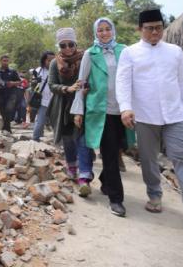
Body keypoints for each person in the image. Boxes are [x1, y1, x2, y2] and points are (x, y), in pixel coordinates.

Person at [116, 9, 183, 228]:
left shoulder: (174, 52)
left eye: (158, 27)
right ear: (140, 29)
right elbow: (123, 82)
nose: (155, 32)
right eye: (149, 28)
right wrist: (126, 108)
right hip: (145, 115)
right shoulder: (130, 53)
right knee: (148, 159)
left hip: (176, 114)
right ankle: (154, 195)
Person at [71, 17, 132, 216]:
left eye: (107, 29)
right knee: (109, 152)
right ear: (95, 33)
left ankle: (106, 181)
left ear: (113, 31)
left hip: (123, 109)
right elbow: (82, 82)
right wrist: (79, 110)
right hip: (101, 109)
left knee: (120, 148)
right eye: (100, 30)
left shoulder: (124, 50)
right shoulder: (91, 53)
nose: (104, 33)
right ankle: (116, 199)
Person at [47, 28, 94, 184]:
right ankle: (72, 167)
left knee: (82, 139)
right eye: (63, 45)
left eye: (70, 44)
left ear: (75, 43)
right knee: (67, 140)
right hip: (63, 108)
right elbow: (52, 84)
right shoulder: (55, 62)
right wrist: (66, 88)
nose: (67, 48)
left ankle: (85, 175)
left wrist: (86, 88)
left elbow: (92, 78)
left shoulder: (86, 58)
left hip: (83, 105)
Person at [0, 55, 21, 133]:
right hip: (1, 94)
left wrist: (12, 83)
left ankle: (6, 128)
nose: (5, 62)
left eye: (7, 61)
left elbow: (19, 82)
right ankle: (6, 127)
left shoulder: (13, 72)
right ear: (0, 61)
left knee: (8, 110)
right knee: (2, 111)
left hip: (11, 94)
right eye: (4, 61)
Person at [32, 51, 55, 141]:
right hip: (43, 101)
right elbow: (33, 85)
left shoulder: (58, 70)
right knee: (40, 122)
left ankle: (59, 141)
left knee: (56, 123)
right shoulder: (39, 70)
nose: (51, 62)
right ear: (44, 60)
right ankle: (35, 140)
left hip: (55, 100)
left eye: (53, 60)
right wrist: (35, 82)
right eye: (49, 60)